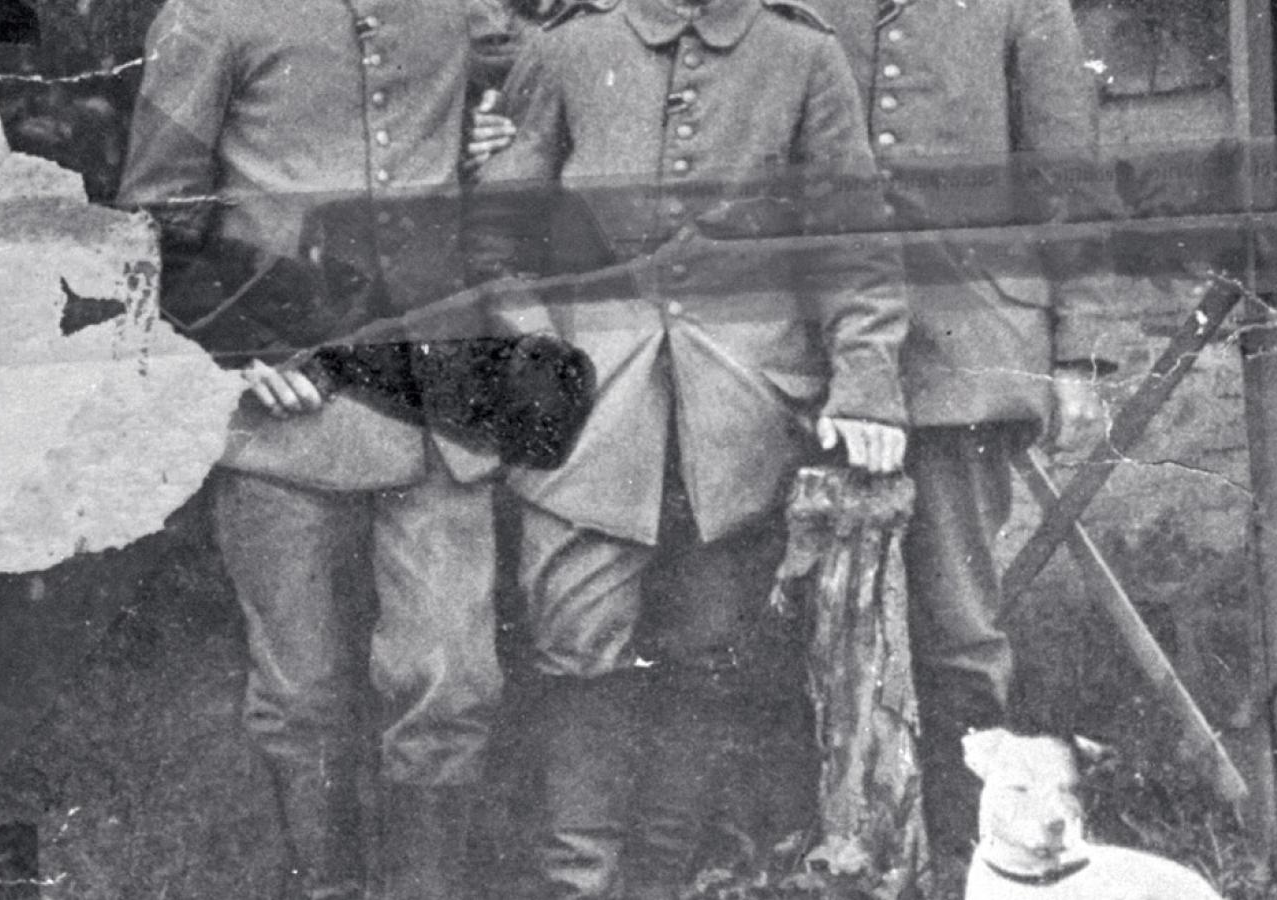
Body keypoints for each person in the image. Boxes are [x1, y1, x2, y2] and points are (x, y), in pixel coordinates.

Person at [467, 1, 908, 896]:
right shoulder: (570, 47)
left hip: (741, 413)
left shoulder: (801, 54)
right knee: (575, 642)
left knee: (708, 656)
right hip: (586, 416)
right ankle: (578, 881)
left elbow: (853, 241)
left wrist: (866, 379)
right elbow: (494, 238)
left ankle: (660, 879)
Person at [117, 2, 520, 898]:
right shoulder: (210, 17)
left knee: (452, 682)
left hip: (437, 403)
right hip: (287, 408)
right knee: (300, 695)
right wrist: (234, 344)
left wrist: (495, 135)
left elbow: (538, 63)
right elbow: (151, 218)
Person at [803, 0, 1116, 883]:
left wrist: (1079, 352)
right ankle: (825, 854)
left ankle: (965, 862)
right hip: (815, 349)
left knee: (957, 628)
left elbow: (1068, 175)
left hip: (968, 350)